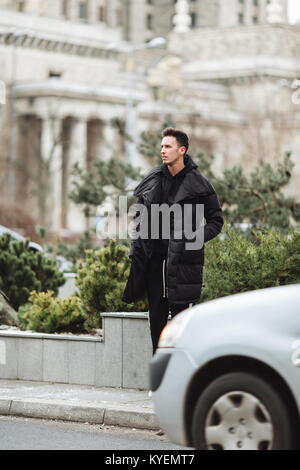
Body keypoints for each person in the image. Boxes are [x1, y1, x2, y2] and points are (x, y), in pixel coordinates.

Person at [122, 128, 223, 354]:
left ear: (182, 150)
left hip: (184, 265)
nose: (162, 151)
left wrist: (193, 240)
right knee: (156, 324)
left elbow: (216, 222)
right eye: (161, 146)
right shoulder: (153, 180)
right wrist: (136, 249)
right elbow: (139, 221)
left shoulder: (199, 184)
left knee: (183, 327)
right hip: (155, 265)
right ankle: (160, 378)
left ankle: (181, 376)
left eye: (167, 146)